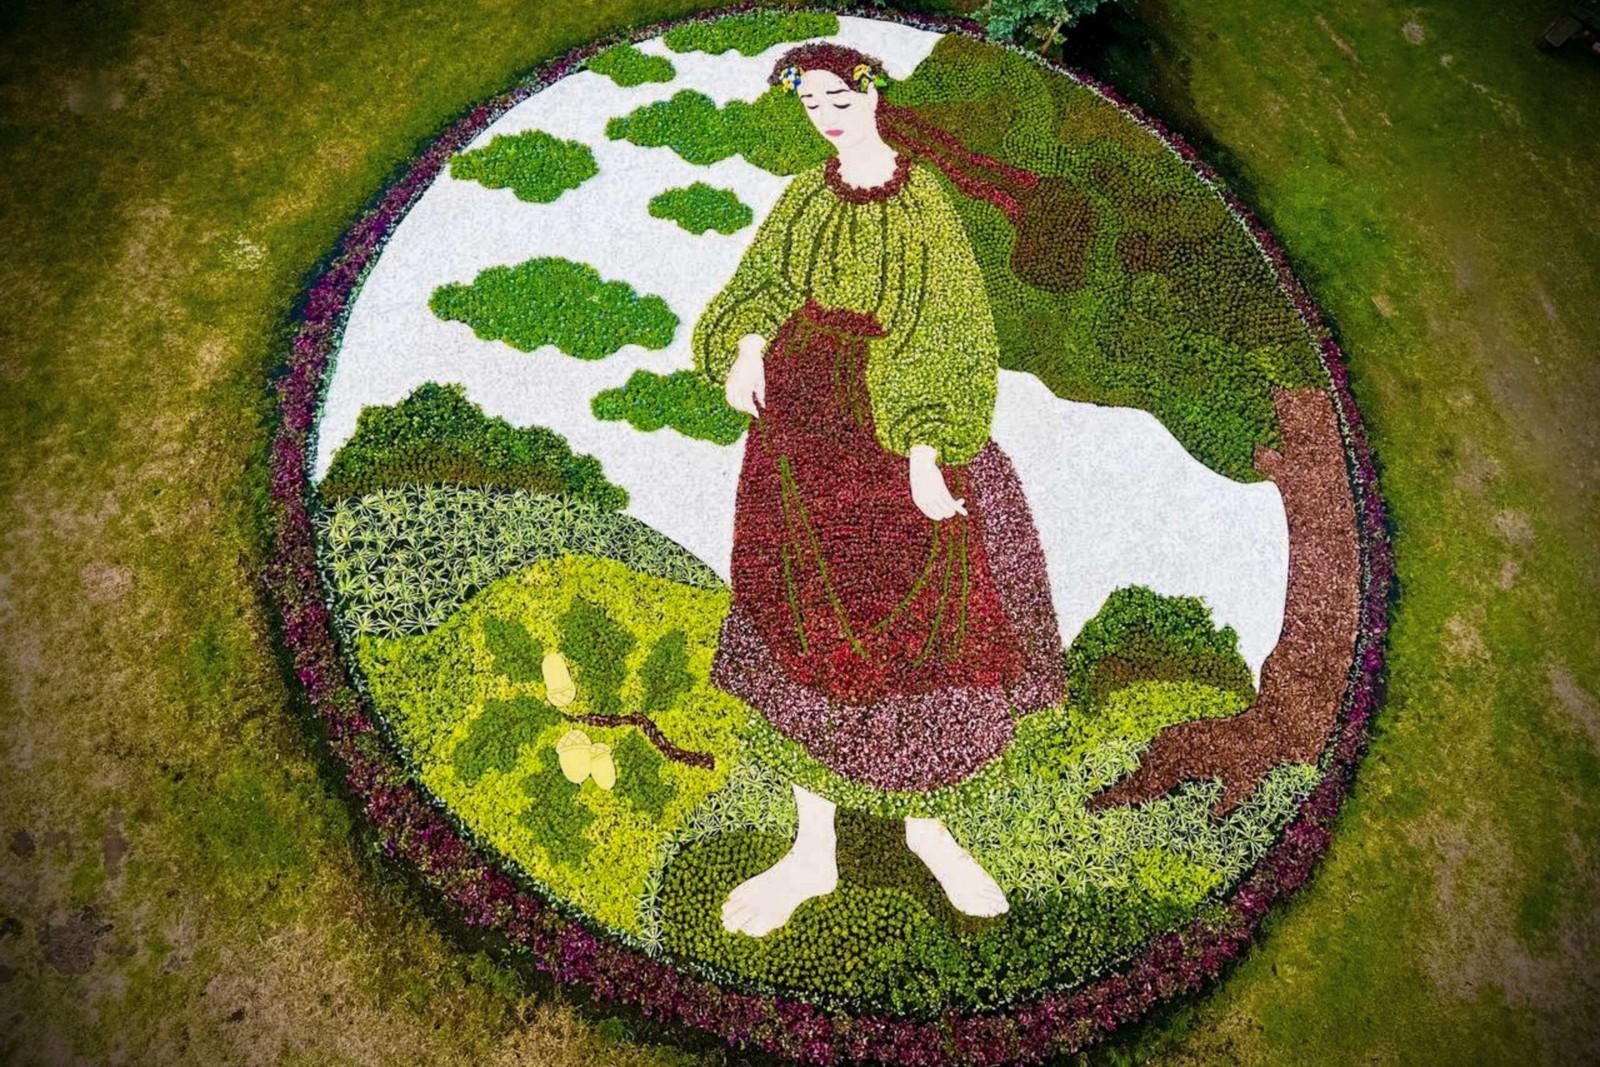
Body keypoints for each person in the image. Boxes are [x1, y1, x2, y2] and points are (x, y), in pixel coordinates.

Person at [691, 41, 1064, 937]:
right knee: (803, 616)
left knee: (918, 621)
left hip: (892, 429)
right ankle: (812, 848)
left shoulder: (924, 202)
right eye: (810, 103)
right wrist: (748, 345)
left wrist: (926, 449)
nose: (825, 117)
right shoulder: (808, 194)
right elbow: (766, 280)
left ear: (872, 93)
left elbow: (947, 324)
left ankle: (927, 827)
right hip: (798, 432)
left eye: (838, 99)